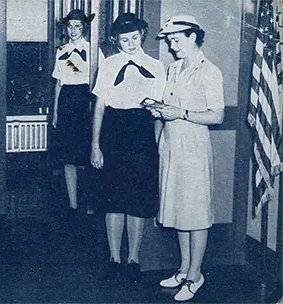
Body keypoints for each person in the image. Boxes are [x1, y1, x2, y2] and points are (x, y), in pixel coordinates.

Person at [151, 15, 224, 301]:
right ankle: (183, 268)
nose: (171, 46)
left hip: (194, 148)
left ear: (193, 37)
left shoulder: (209, 71)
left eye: (176, 40)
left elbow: (217, 116)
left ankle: (196, 274)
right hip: (171, 146)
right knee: (179, 210)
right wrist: (160, 113)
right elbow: (170, 104)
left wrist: (179, 113)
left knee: (196, 214)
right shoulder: (175, 68)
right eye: (169, 41)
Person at [91, 13, 166, 283]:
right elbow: (99, 107)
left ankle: (133, 258)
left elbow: (158, 111)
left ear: (142, 36)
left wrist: (157, 145)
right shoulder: (109, 66)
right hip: (114, 131)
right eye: (125, 40)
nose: (131, 44)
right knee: (113, 199)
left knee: (137, 200)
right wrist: (95, 145)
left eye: (135, 38)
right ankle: (114, 257)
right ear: (116, 40)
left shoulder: (156, 66)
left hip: (142, 131)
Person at [51, 9, 94, 218]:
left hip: (85, 100)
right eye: (70, 26)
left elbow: (97, 84)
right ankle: (73, 204)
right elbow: (58, 84)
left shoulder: (93, 50)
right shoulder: (61, 50)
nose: (73, 30)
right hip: (67, 101)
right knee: (68, 156)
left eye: (78, 26)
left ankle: (89, 202)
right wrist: (56, 113)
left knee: (85, 156)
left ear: (84, 27)